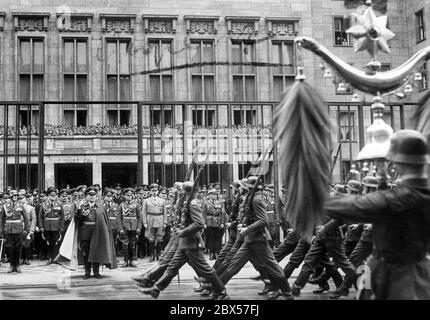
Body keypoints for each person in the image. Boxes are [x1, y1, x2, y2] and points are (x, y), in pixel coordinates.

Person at [325, 130, 430, 299]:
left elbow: (339, 206)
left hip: (394, 278)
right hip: (421, 271)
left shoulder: (394, 200)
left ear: (398, 163)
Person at [139, 181, 229, 300]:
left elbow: (199, 223)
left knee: (207, 271)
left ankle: (221, 292)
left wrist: (183, 232)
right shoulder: (186, 202)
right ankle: (156, 289)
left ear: (185, 191)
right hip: (184, 243)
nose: (179, 191)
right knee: (172, 267)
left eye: (181, 190)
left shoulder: (193, 204)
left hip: (191, 243)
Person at [72, 186, 118, 279]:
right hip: (85, 233)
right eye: (90, 195)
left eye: (94, 195)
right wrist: (80, 213)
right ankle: (87, 272)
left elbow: (104, 221)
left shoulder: (100, 207)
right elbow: (76, 221)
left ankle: (96, 272)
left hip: (98, 233)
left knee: (96, 252)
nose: (92, 196)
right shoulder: (82, 206)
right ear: (85, 196)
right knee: (86, 253)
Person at [0, 190, 30, 273]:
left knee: (17, 248)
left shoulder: (20, 205)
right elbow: (2, 219)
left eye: (16, 196)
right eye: (13, 196)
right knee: (10, 248)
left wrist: (28, 229)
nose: (15, 197)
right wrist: (1, 230)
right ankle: (11, 266)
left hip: (18, 229)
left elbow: (26, 218)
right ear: (10, 197)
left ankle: (17, 266)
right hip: (9, 230)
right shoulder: (5, 206)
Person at [38, 187, 65, 265]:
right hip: (47, 226)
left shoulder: (59, 204)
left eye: (55, 195)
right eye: (51, 195)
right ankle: (50, 257)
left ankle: (55, 258)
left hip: (56, 226)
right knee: (48, 242)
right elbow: (40, 217)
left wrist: (61, 227)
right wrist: (41, 227)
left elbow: (62, 217)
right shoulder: (44, 204)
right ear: (48, 195)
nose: (53, 196)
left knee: (56, 242)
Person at [142, 183, 167, 262]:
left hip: (159, 219)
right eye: (152, 191)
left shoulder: (162, 201)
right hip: (150, 220)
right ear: (150, 191)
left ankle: (158, 255)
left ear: (158, 191)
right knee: (151, 238)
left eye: (156, 191)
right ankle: (151, 255)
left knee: (159, 238)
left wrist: (165, 222)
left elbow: (165, 212)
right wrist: (145, 222)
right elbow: (144, 212)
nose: (154, 192)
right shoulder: (146, 201)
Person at [117, 188, 142, 267]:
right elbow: (119, 218)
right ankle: (125, 261)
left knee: (132, 244)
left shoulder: (136, 205)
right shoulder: (122, 205)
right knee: (125, 244)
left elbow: (139, 217)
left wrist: (138, 228)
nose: (129, 197)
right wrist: (120, 228)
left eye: (130, 195)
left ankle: (131, 261)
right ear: (124, 196)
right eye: (127, 195)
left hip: (134, 227)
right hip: (125, 227)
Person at [202, 188, 227, 260]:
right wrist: (204, 223)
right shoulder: (206, 203)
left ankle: (217, 252)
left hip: (218, 221)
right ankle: (211, 253)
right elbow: (203, 213)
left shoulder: (220, 202)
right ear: (209, 195)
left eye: (216, 195)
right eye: (213, 194)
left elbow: (223, 213)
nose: (214, 196)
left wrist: (222, 222)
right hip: (209, 222)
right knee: (211, 238)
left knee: (218, 238)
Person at [18, 190, 36, 265]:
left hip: (27, 227)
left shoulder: (30, 208)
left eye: (23, 198)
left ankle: (27, 258)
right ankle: (21, 258)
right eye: (20, 198)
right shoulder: (16, 207)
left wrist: (32, 229)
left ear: (26, 198)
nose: (21, 200)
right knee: (20, 243)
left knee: (27, 244)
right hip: (19, 227)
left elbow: (34, 219)